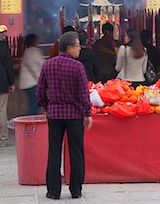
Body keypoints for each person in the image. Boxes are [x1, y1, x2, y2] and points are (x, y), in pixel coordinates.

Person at [37, 31, 92, 200]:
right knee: (76, 152)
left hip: (54, 115)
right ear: (69, 48)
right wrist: (87, 113)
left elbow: (40, 91)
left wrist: (46, 107)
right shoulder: (78, 67)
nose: (79, 50)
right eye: (78, 46)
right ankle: (76, 190)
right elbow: (84, 94)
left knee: (54, 152)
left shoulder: (48, 64)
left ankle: (53, 191)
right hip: (74, 115)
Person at [19, 34, 44, 115]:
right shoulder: (33, 52)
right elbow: (39, 68)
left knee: (34, 105)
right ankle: (29, 124)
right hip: (32, 83)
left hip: (28, 83)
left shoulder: (27, 52)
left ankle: (30, 123)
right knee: (34, 106)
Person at [0, 25, 15, 147]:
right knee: (1, 111)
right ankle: (3, 139)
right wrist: (11, 82)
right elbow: (8, 66)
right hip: (1, 82)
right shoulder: (4, 47)